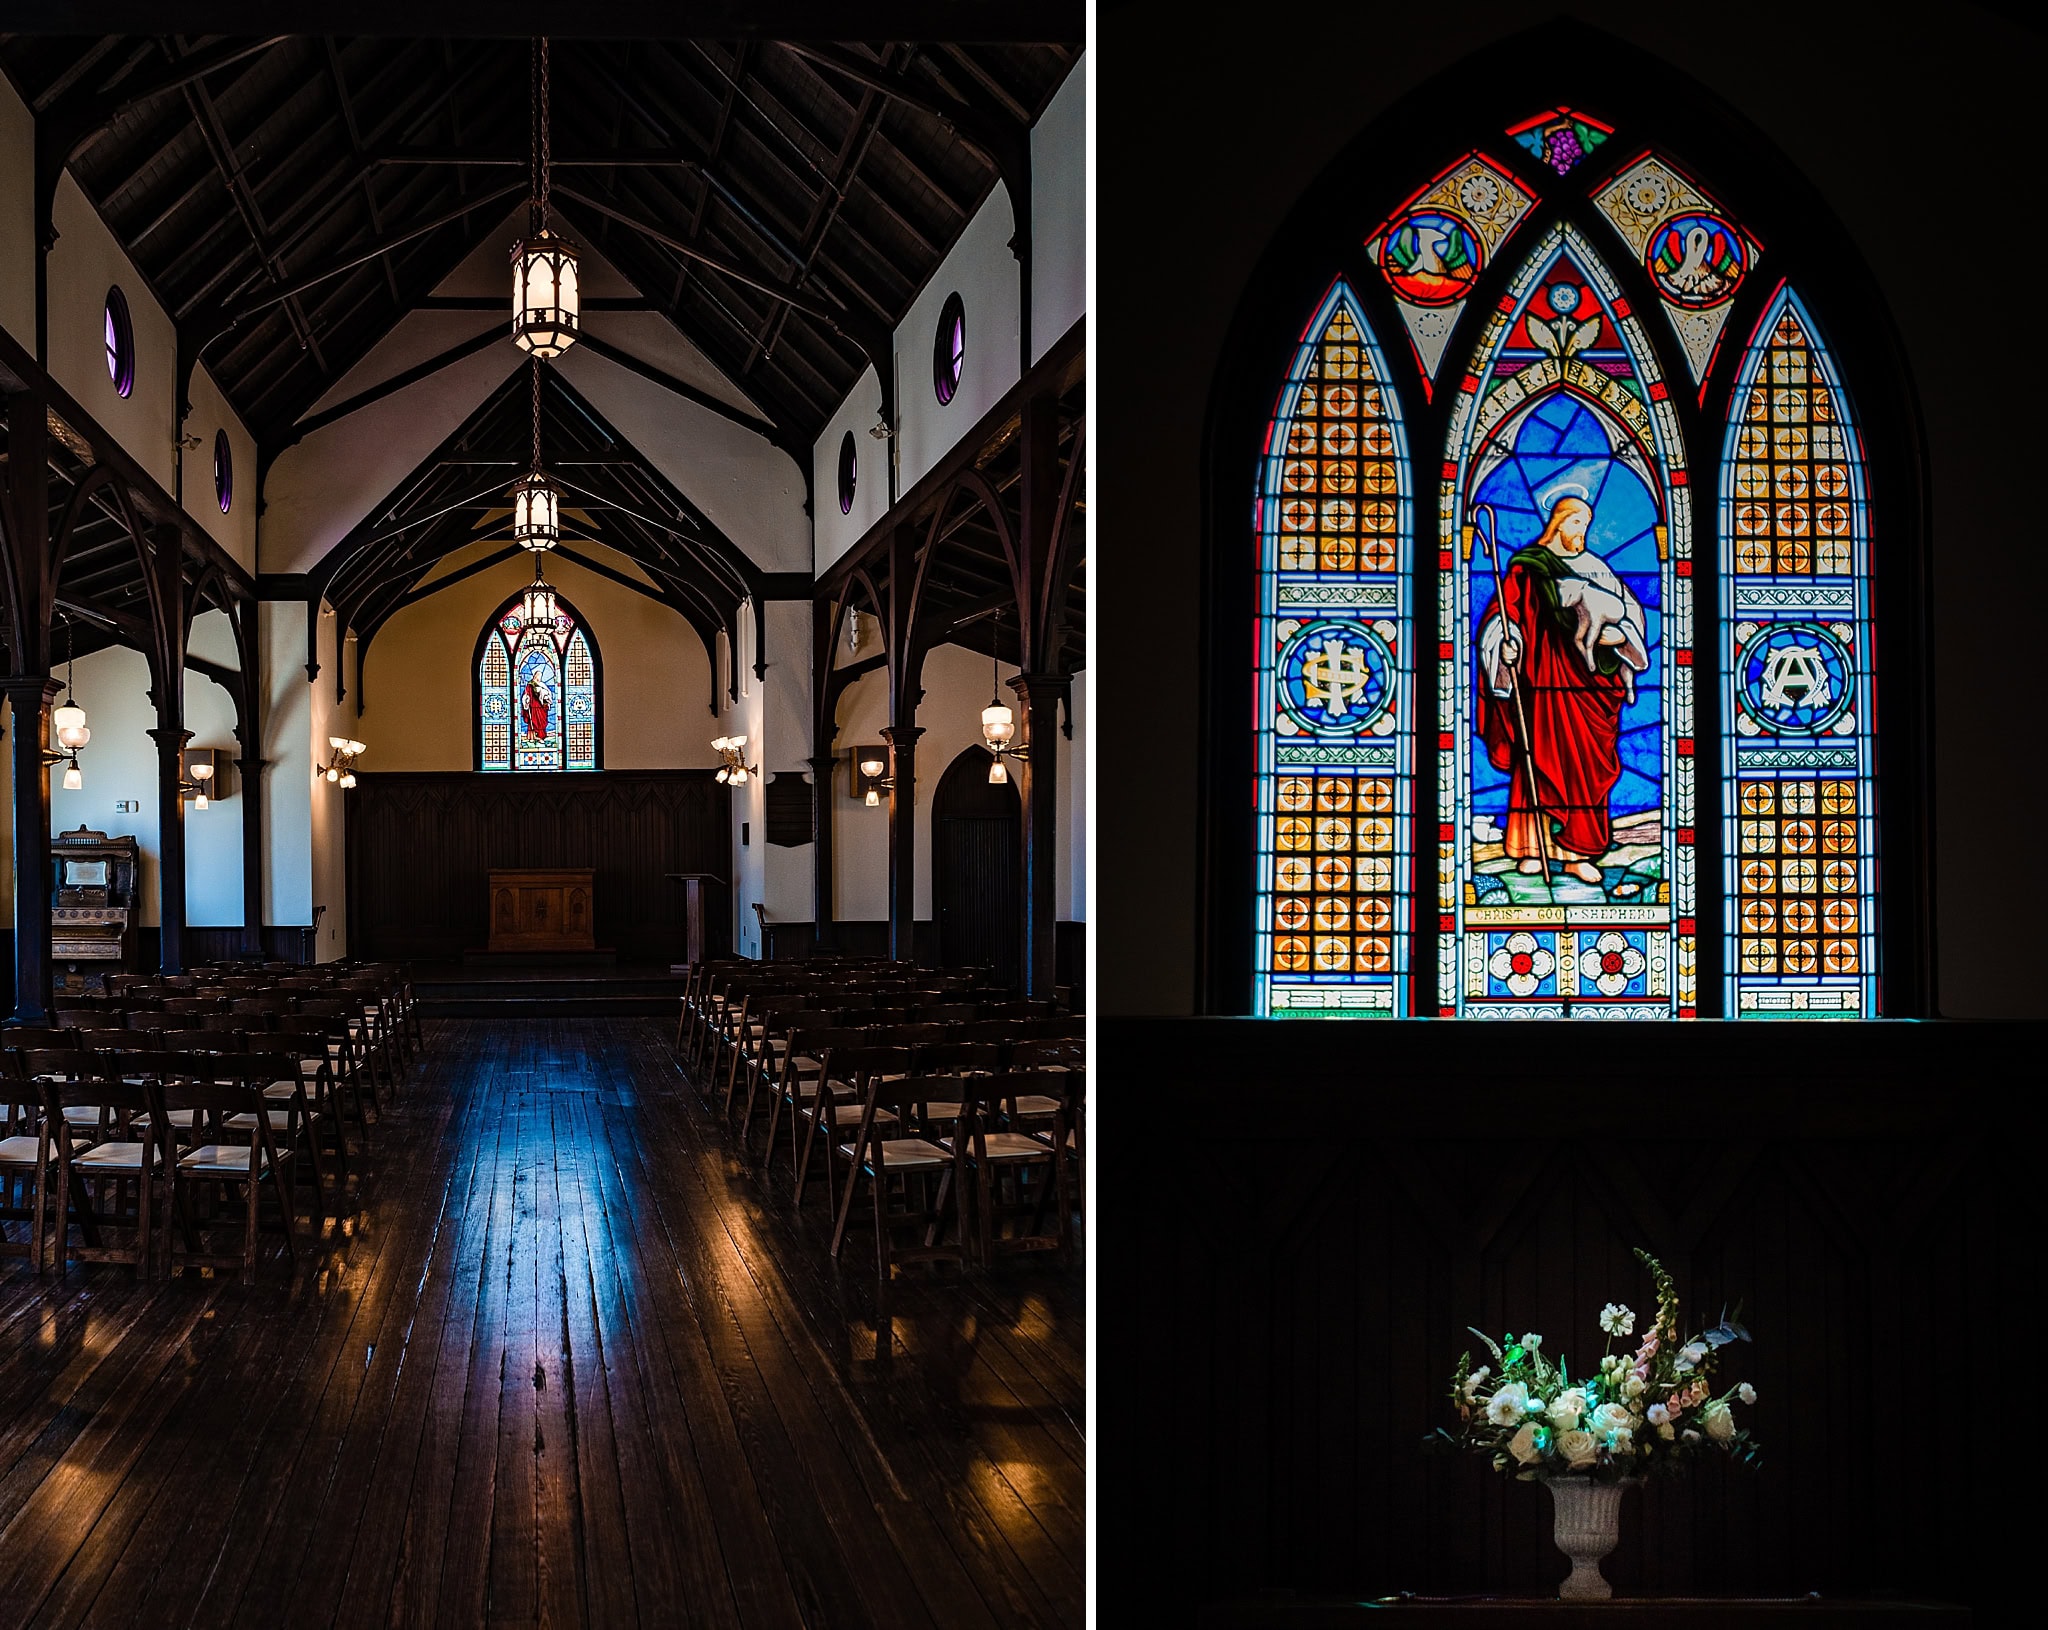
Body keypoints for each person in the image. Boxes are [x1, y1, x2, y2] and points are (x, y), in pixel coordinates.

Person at [1476, 493, 1649, 886]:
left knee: (1588, 769)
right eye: (1576, 524)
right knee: (1535, 757)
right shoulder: (1528, 567)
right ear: (1558, 522)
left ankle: (1579, 853)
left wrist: (1621, 638)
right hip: (1542, 686)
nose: (1582, 532)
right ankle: (1531, 847)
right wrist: (1507, 644)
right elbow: (1506, 615)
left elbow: (1630, 615)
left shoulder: (1595, 569)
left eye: (1586, 525)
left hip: (1589, 691)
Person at [521, 675, 551, 742]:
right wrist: (526, 700)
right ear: (535, 677)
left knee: (541, 721)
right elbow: (526, 695)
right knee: (533, 721)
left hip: (541, 707)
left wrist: (543, 694)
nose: (539, 678)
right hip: (533, 707)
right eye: (538, 677)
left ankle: (541, 736)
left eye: (540, 677)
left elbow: (548, 694)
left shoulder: (542, 685)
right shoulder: (530, 685)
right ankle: (532, 737)